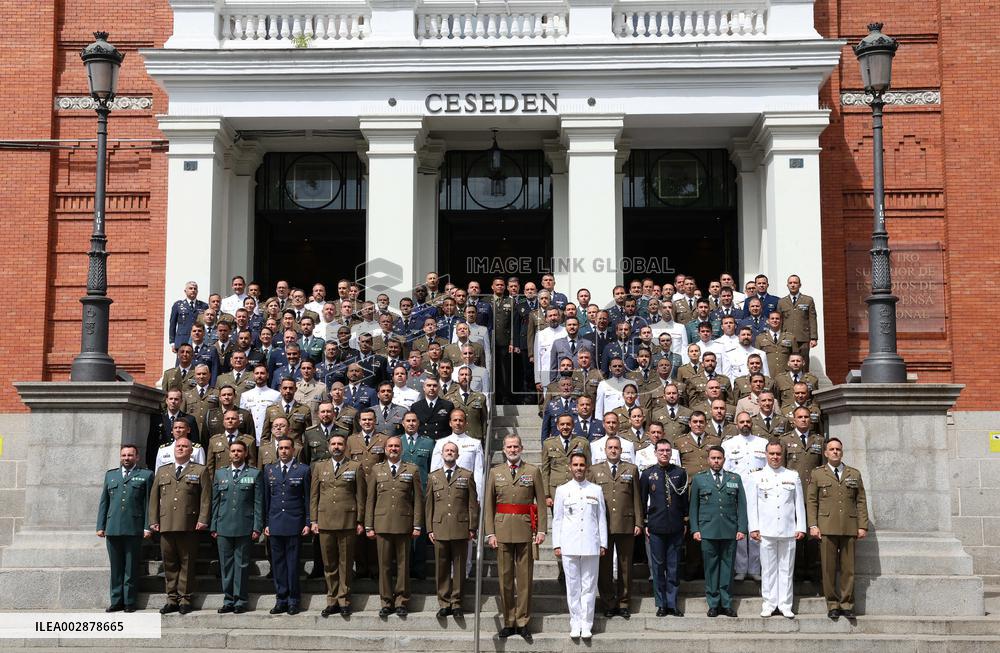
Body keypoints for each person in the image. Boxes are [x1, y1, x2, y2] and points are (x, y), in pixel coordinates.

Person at [485, 434, 546, 643]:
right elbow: (489, 504)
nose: (512, 450)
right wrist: (490, 532)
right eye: (509, 447)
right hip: (502, 530)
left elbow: (541, 501)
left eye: (516, 446)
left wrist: (542, 530)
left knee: (525, 580)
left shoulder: (532, 471)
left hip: (525, 530)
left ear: (522, 448)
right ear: (503, 449)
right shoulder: (495, 472)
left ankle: (523, 621)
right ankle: (509, 621)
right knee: (505, 580)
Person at [807, 438, 869, 620]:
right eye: (831, 449)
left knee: (848, 569)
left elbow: (860, 501)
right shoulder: (818, 474)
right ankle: (832, 604)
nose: (835, 452)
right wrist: (813, 525)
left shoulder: (854, 474)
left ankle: (847, 604)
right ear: (825, 453)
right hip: (826, 527)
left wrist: (862, 525)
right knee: (828, 569)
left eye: (838, 449)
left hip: (849, 526)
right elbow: (812, 501)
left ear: (842, 452)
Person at [148, 437, 210, 614]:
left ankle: (185, 599)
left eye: (185, 446)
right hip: (166, 523)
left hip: (189, 524)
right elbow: (154, 498)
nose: (181, 449)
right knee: (169, 563)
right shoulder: (163, 470)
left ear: (191, 451)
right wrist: (153, 520)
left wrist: (203, 519)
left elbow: (205, 498)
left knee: (187, 562)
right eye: (178, 446)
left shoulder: (199, 470)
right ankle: (171, 599)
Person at [366, 435, 424, 617]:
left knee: (403, 565)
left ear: (402, 449)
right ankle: (386, 601)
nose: (393, 449)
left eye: (396, 446)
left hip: (404, 524)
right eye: (390, 446)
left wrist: (417, 524)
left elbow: (418, 500)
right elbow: (370, 499)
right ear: (385, 449)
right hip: (382, 524)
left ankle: (402, 601)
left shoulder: (412, 469)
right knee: (384, 566)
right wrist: (369, 525)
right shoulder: (376, 469)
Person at [747, 441, 807, 618]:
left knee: (786, 569)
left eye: (778, 454)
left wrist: (801, 526)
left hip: (788, 530)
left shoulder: (792, 475)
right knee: (767, 569)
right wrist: (754, 528)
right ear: (766, 455)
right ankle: (769, 603)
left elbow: (799, 504)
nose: (775, 457)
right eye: (772, 454)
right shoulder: (756, 477)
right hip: (766, 530)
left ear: (783, 455)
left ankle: (785, 604)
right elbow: (752, 505)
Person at [688, 446, 748, 618]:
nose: (716, 461)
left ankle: (727, 603)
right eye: (713, 458)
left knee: (728, 569)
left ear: (724, 459)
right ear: (708, 460)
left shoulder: (734, 478)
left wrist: (742, 528)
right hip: (708, 530)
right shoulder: (700, 480)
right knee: (711, 568)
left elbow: (742, 506)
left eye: (719, 458)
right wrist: (695, 529)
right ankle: (713, 603)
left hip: (730, 530)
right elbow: (694, 508)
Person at [311, 433, 367, 617]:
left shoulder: (355, 466)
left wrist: (360, 520)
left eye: (340, 444)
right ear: (328, 447)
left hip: (347, 521)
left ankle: (344, 599)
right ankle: (332, 599)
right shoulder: (320, 467)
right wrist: (314, 520)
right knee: (329, 564)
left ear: (346, 447)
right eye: (333, 444)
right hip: (325, 521)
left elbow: (360, 496)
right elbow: (314, 496)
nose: (336, 447)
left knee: (345, 563)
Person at [552, 452, 607, 639]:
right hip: (569, 544)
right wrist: (556, 544)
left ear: (587, 467)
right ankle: (575, 622)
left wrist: (603, 543)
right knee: (573, 586)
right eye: (575, 465)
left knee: (589, 586)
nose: (578, 468)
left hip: (591, 544)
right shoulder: (561, 490)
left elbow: (601, 519)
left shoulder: (596, 490)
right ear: (570, 467)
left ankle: (587, 623)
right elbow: (557, 519)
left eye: (582, 465)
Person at [588, 435, 641, 619]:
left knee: (626, 566)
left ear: (621, 450)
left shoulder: (631, 469)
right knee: (605, 567)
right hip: (603, 525)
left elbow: (636, 498)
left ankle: (624, 602)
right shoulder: (594, 470)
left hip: (626, 523)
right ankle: (609, 602)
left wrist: (639, 522)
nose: (613, 450)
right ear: (605, 450)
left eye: (616, 447)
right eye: (610, 447)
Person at [425, 441, 479, 619]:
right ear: (442, 454)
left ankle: (456, 602)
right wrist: (429, 528)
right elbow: (429, 505)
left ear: (457, 455)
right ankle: (444, 602)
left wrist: (472, 527)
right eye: (447, 450)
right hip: (439, 527)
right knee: (441, 567)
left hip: (460, 527)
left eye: (453, 451)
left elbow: (472, 504)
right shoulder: (433, 477)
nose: (449, 453)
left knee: (459, 566)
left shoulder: (467, 475)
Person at [97, 444, 152, 613]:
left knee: (130, 567)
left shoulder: (145, 475)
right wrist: (100, 526)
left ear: (137, 457)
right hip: (113, 528)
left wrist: (147, 527)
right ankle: (116, 601)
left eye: (130, 455)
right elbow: (104, 502)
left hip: (134, 528)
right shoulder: (111, 475)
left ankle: (129, 601)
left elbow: (149, 503)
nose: (126, 458)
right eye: (124, 455)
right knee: (116, 568)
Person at [210, 440, 264, 614]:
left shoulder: (254, 474)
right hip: (223, 525)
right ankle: (228, 600)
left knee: (241, 565)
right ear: (229, 453)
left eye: (239, 451)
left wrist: (257, 527)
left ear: (245, 453)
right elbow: (215, 502)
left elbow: (258, 503)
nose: (236, 454)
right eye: (233, 451)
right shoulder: (220, 474)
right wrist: (213, 526)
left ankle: (240, 600)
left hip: (244, 525)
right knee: (226, 565)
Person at [640, 439, 688, 617]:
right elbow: (642, 500)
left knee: (674, 566)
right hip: (656, 526)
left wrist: (684, 522)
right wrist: (645, 523)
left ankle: (672, 602)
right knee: (659, 567)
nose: (664, 453)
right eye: (661, 450)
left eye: (668, 450)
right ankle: (661, 603)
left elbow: (684, 501)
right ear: (655, 452)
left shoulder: (680, 473)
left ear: (671, 453)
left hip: (675, 526)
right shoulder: (647, 474)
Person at [263, 435, 312, 615]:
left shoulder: (303, 470)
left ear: (293, 450)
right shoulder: (269, 470)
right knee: (278, 564)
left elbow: (307, 498)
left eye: (287, 448)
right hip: (275, 522)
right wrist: (266, 523)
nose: (284, 451)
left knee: (292, 563)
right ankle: (280, 599)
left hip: (294, 522)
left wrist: (308, 521)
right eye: (281, 448)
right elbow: (267, 499)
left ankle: (293, 600)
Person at [722, 411, 769, 581]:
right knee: (740, 531)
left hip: (758, 493)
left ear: (752, 423)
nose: (745, 424)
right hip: (737, 492)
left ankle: (755, 568)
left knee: (756, 530)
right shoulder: (729, 444)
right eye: (741, 422)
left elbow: (768, 468)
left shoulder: (763, 443)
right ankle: (741, 568)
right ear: (736, 424)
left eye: (748, 421)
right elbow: (725, 470)